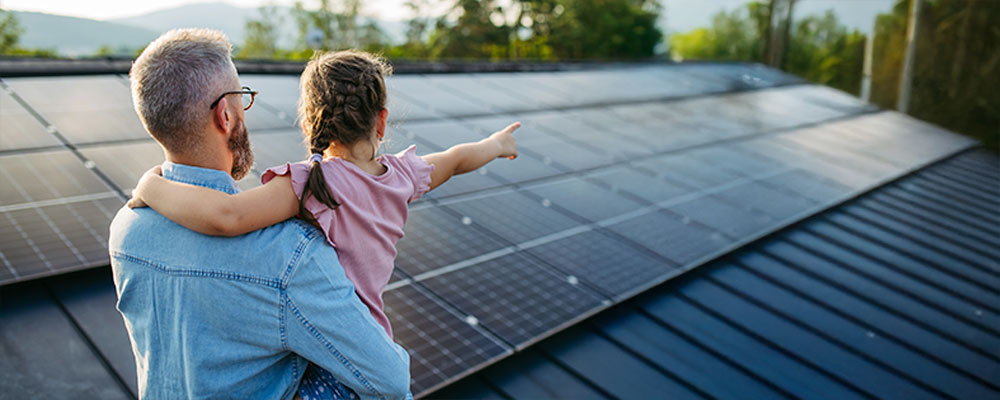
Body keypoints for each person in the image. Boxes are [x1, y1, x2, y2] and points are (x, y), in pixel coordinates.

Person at [127, 50, 520, 398]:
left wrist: (151, 185)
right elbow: (454, 159)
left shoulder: (312, 184)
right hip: (365, 341)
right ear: (381, 122)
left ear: (310, 122)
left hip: (332, 368)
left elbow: (227, 217)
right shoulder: (402, 176)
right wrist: (496, 145)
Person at [109, 29, 411, 399]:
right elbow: (391, 380)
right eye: (243, 99)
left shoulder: (125, 230)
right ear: (225, 115)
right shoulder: (289, 254)